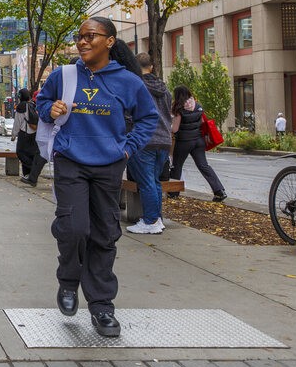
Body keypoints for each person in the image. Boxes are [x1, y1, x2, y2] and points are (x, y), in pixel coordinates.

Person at [35, 17, 157, 337]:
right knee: (74, 227)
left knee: (104, 233)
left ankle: (102, 306)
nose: (83, 42)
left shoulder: (128, 81)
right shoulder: (65, 74)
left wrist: (127, 149)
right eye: (80, 36)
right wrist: (50, 110)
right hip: (71, 161)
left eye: (91, 36)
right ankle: (68, 280)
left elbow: (147, 118)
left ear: (110, 41)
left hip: (109, 165)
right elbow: (41, 102)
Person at [125, 53, 173, 235]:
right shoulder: (165, 89)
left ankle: (150, 220)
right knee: (154, 181)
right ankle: (156, 218)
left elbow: (129, 113)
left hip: (143, 138)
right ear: (151, 67)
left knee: (146, 182)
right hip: (164, 139)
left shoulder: (136, 86)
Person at [169, 85, 227, 201]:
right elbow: (201, 123)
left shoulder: (178, 108)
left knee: (177, 165)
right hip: (198, 141)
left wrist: (167, 125)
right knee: (203, 166)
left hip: (184, 142)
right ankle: (219, 190)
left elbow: (175, 129)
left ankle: (173, 192)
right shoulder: (197, 106)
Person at [11, 88, 45, 187]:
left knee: (21, 153)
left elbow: (17, 122)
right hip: (35, 134)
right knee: (32, 154)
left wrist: (14, 135)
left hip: (24, 133)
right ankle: (30, 176)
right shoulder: (33, 105)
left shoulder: (21, 107)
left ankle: (31, 173)